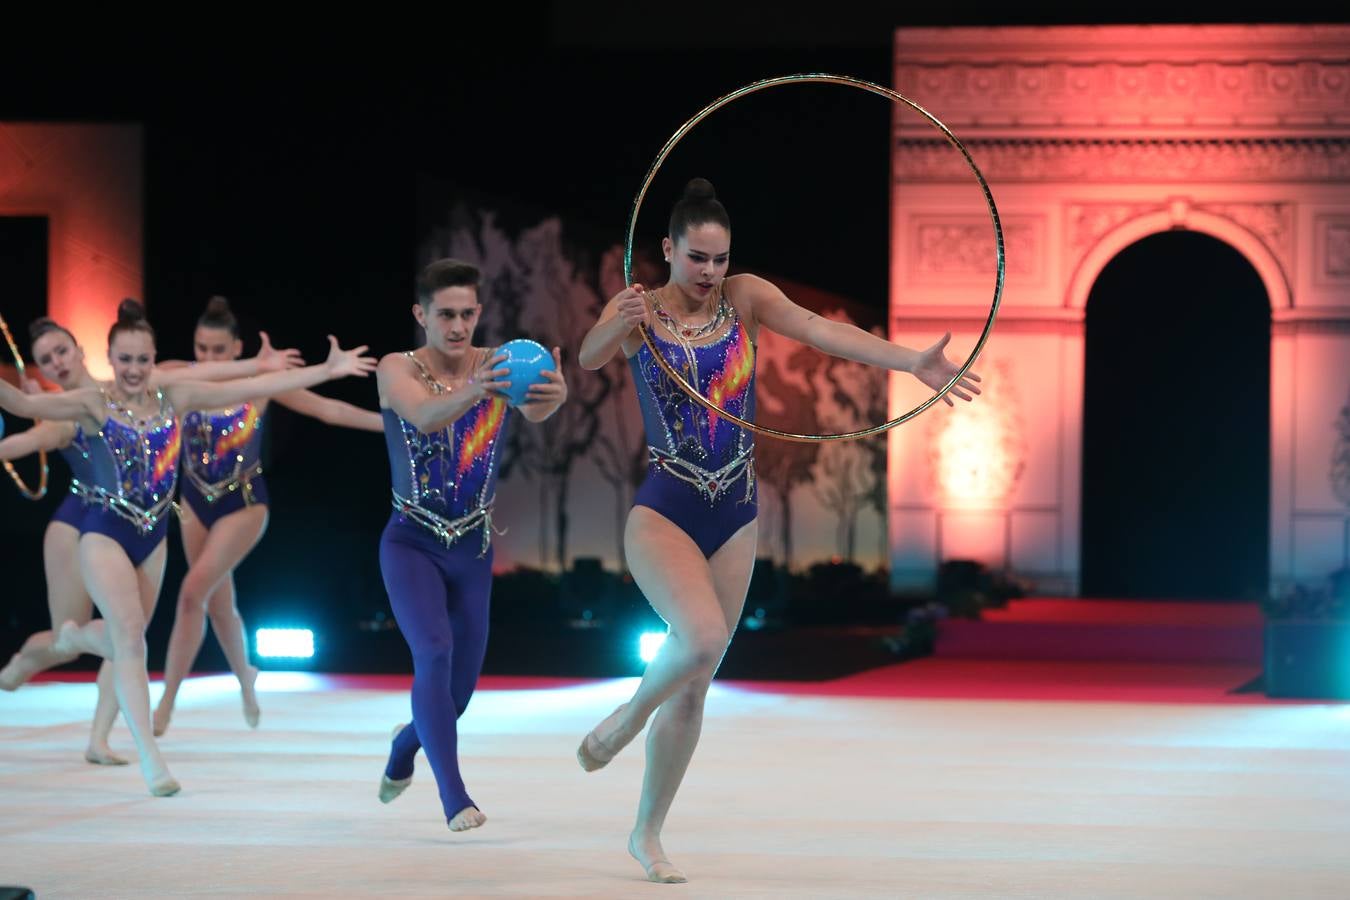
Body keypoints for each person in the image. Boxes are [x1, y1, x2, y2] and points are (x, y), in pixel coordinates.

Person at [575, 177, 981, 882]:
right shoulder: (638, 310)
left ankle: (647, 834)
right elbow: (587, 356)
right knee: (698, 640)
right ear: (667, 249)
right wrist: (619, 320)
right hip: (665, 508)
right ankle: (629, 716)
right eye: (696, 257)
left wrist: (911, 361)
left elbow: (823, 331)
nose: (709, 273)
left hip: (735, 511)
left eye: (720, 258)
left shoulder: (746, 298)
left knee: (698, 682)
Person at [0, 299, 375, 796]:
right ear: (110, 359)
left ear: (155, 360)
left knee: (126, 639)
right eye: (125, 360)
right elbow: (24, 407)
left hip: (153, 538)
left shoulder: (174, 394)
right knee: (131, 637)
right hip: (102, 532)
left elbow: (253, 386)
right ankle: (152, 763)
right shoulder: (93, 404)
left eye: (142, 360)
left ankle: (72, 640)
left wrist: (326, 370)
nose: (133, 370)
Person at [375, 259, 567, 832]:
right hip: (411, 542)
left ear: (478, 313)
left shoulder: (501, 363)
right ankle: (455, 799)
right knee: (433, 652)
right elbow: (425, 416)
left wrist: (553, 393)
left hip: (473, 548)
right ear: (421, 315)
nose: (457, 326)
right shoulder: (395, 368)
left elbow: (537, 407)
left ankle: (406, 744)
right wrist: (477, 388)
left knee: (456, 697)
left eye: (466, 314)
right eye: (444, 315)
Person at [153, 296, 383, 736]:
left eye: (218, 351)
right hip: (195, 501)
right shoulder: (181, 377)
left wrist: (393, 426)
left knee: (191, 592)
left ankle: (165, 703)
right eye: (202, 349)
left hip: (243, 503)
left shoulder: (261, 381)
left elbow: (326, 410)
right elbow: (137, 380)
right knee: (219, 605)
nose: (208, 358)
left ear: (238, 348)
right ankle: (246, 676)